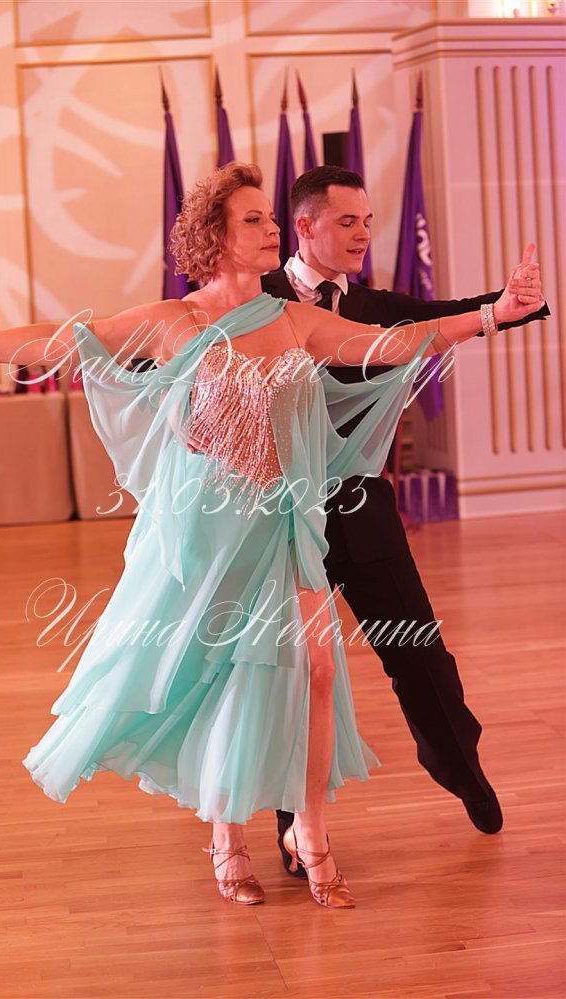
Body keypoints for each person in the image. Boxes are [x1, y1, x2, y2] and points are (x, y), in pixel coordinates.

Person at [0, 163, 540, 910]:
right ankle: (227, 838)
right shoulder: (176, 321)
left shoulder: (292, 320)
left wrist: (494, 313)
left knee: (317, 670)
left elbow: (393, 344)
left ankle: (310, 831)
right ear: (215, 236)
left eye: (271, 218)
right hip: (210, 530)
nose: (271, 229)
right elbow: (63, 340)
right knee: (223, 680)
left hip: (287, 525)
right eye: (254, 220)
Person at [261, 165, 549, 874]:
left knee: (421, 655)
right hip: (278, 519)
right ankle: (295, 827)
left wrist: (506, 305)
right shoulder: (257, 301)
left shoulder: (375, 306)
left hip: (361, 510)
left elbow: (440, 317)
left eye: (367, 220)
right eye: (347, 221)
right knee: (292, 672)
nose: (364, 234)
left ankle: (463, 769)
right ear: (305, 226)